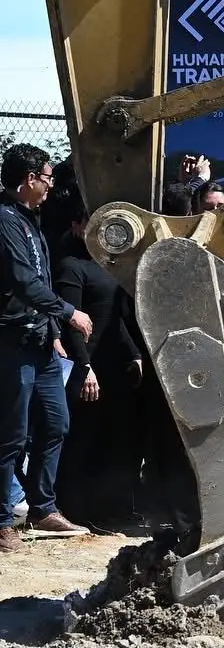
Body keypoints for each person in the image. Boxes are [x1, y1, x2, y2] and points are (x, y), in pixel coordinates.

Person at [0, 144, 94, 550]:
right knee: (11, 434)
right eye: (46, 178)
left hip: (42, 342)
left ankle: (43, 508)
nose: (50, 186)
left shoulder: (31, 220)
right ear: (28, 179)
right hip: (13, 342)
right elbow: (23, 281)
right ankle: (2, 521)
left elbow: (43, 280)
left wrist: (54, 329)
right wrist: (69, 313)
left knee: (56, 423)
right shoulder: (5, 220)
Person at [50, 193, 146, 526]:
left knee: (113, 439)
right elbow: (72, 323)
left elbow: (113, 317)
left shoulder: (106, 265)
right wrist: (84, 367)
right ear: (77, 225)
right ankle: (76, 510)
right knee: (83, 439)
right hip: (87, 367)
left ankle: (112, 509)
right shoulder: (70, 266)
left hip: (113, 366)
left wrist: (134, 353)